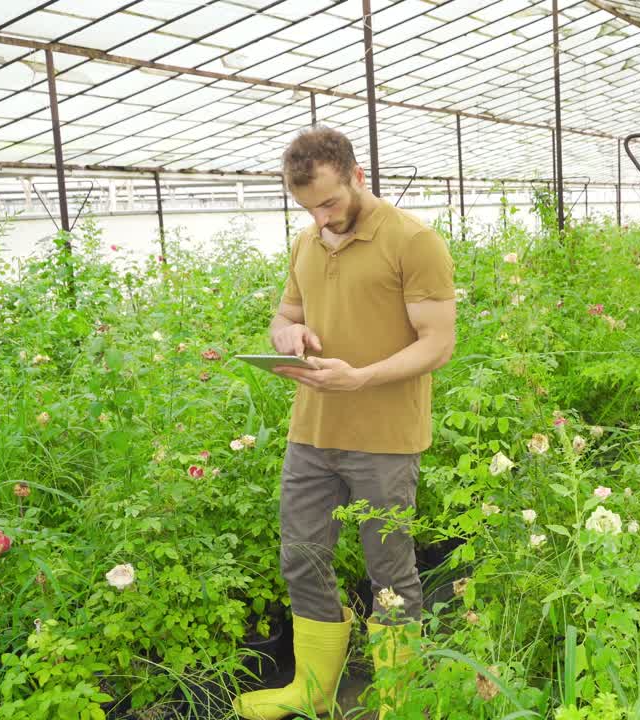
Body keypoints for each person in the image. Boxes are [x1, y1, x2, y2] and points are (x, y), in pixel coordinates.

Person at [232, 126, 455, 720]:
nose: (321, 217)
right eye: (307, 207)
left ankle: (400, 697)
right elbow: (285, 315)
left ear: (358, 176)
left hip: (384, 438)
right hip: (312, 432)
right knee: (301, 555)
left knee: (389, 568)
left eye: (329, 202)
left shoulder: (412, 241)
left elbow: (437, 344)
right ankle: (313, 688)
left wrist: (361, 377)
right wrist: (288, 337)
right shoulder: (307, 243)